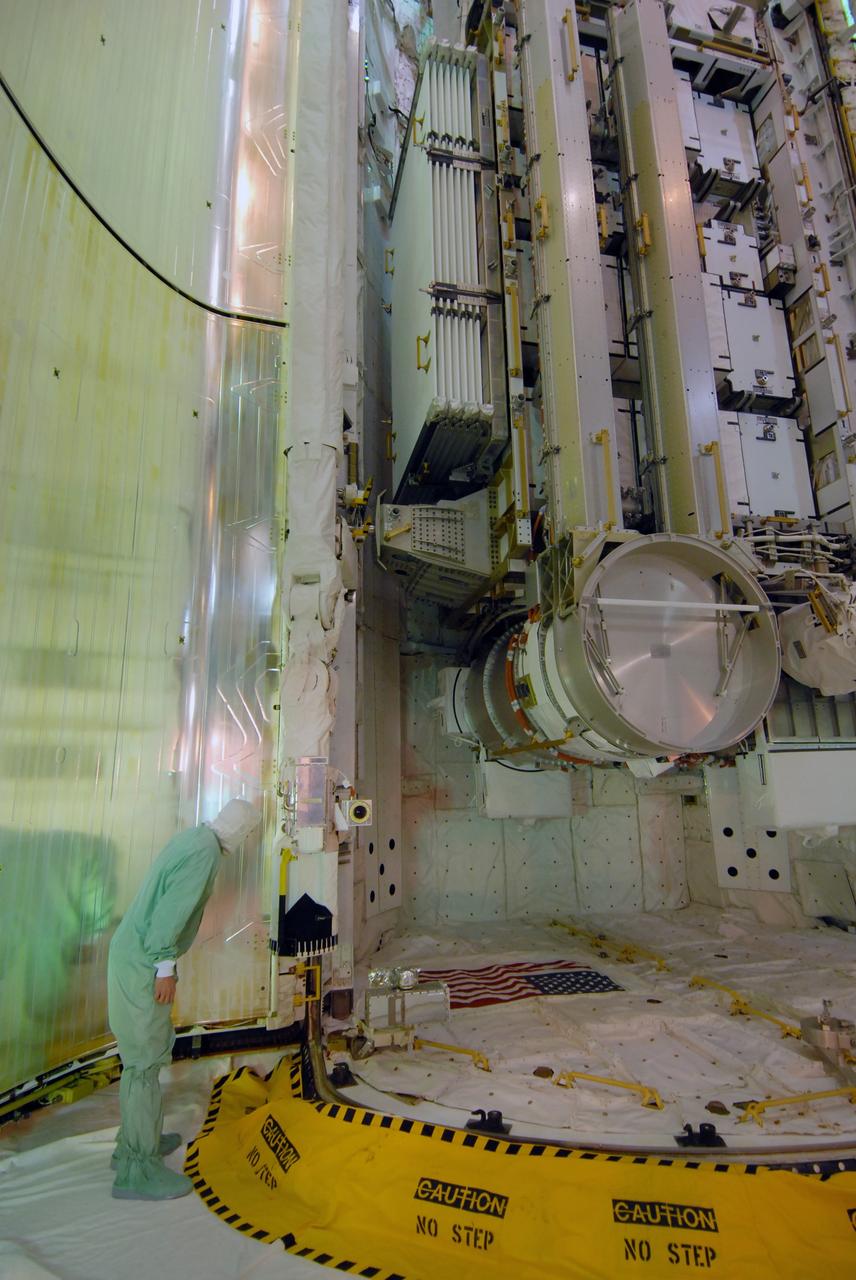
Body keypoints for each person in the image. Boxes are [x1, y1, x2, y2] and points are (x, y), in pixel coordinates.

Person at [107, 799, 262, 1200]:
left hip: (129, 953)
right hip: (144, 961)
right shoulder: (206, 854)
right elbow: (171, 914)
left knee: (142, 1056)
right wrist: (164, 967)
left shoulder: (194, 838)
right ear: (241, 833)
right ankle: (136, 1171)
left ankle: (135, 1141)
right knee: (144, 1060)